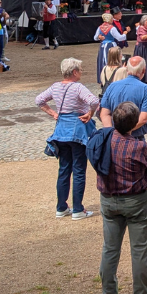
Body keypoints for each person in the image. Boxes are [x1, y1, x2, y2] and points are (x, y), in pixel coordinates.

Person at [95, 101, 147, 294]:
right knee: (139, 250)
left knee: (110, 249)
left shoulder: (104, 139)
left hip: (108, 199)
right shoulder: (139, 147)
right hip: (135, 201)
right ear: (134, 125)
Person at [37, 58, 99, 220]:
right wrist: (89, 114)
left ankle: (61, 207)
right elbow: (94, 101)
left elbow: (39, 100)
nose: (81, 72)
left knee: (64, 169)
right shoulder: (78, 87)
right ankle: (78, 209)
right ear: (74, 72)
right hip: (77, 130)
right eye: (80, 69)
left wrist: (54, 113)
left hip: (61, 130)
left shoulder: (55, 86)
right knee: (79, 170)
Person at [99, 56, 147, 139]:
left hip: (114, 136)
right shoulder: (146, 89)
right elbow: (143, 119)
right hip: (136, 137)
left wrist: (112, 132)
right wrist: (126, 132)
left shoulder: (112, 86)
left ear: (127, 70)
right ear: (143, 70)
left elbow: (104, 114)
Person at [93, 13, 129, 85]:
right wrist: (125, 33)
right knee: (112, 60)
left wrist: (99, 37)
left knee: (103, 60)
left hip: (102, 46)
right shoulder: (112, 28)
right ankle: (112, 77)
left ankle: (103, 78)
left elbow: (95, 38)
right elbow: (119, 38)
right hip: (111, 46)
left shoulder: (100, 27)